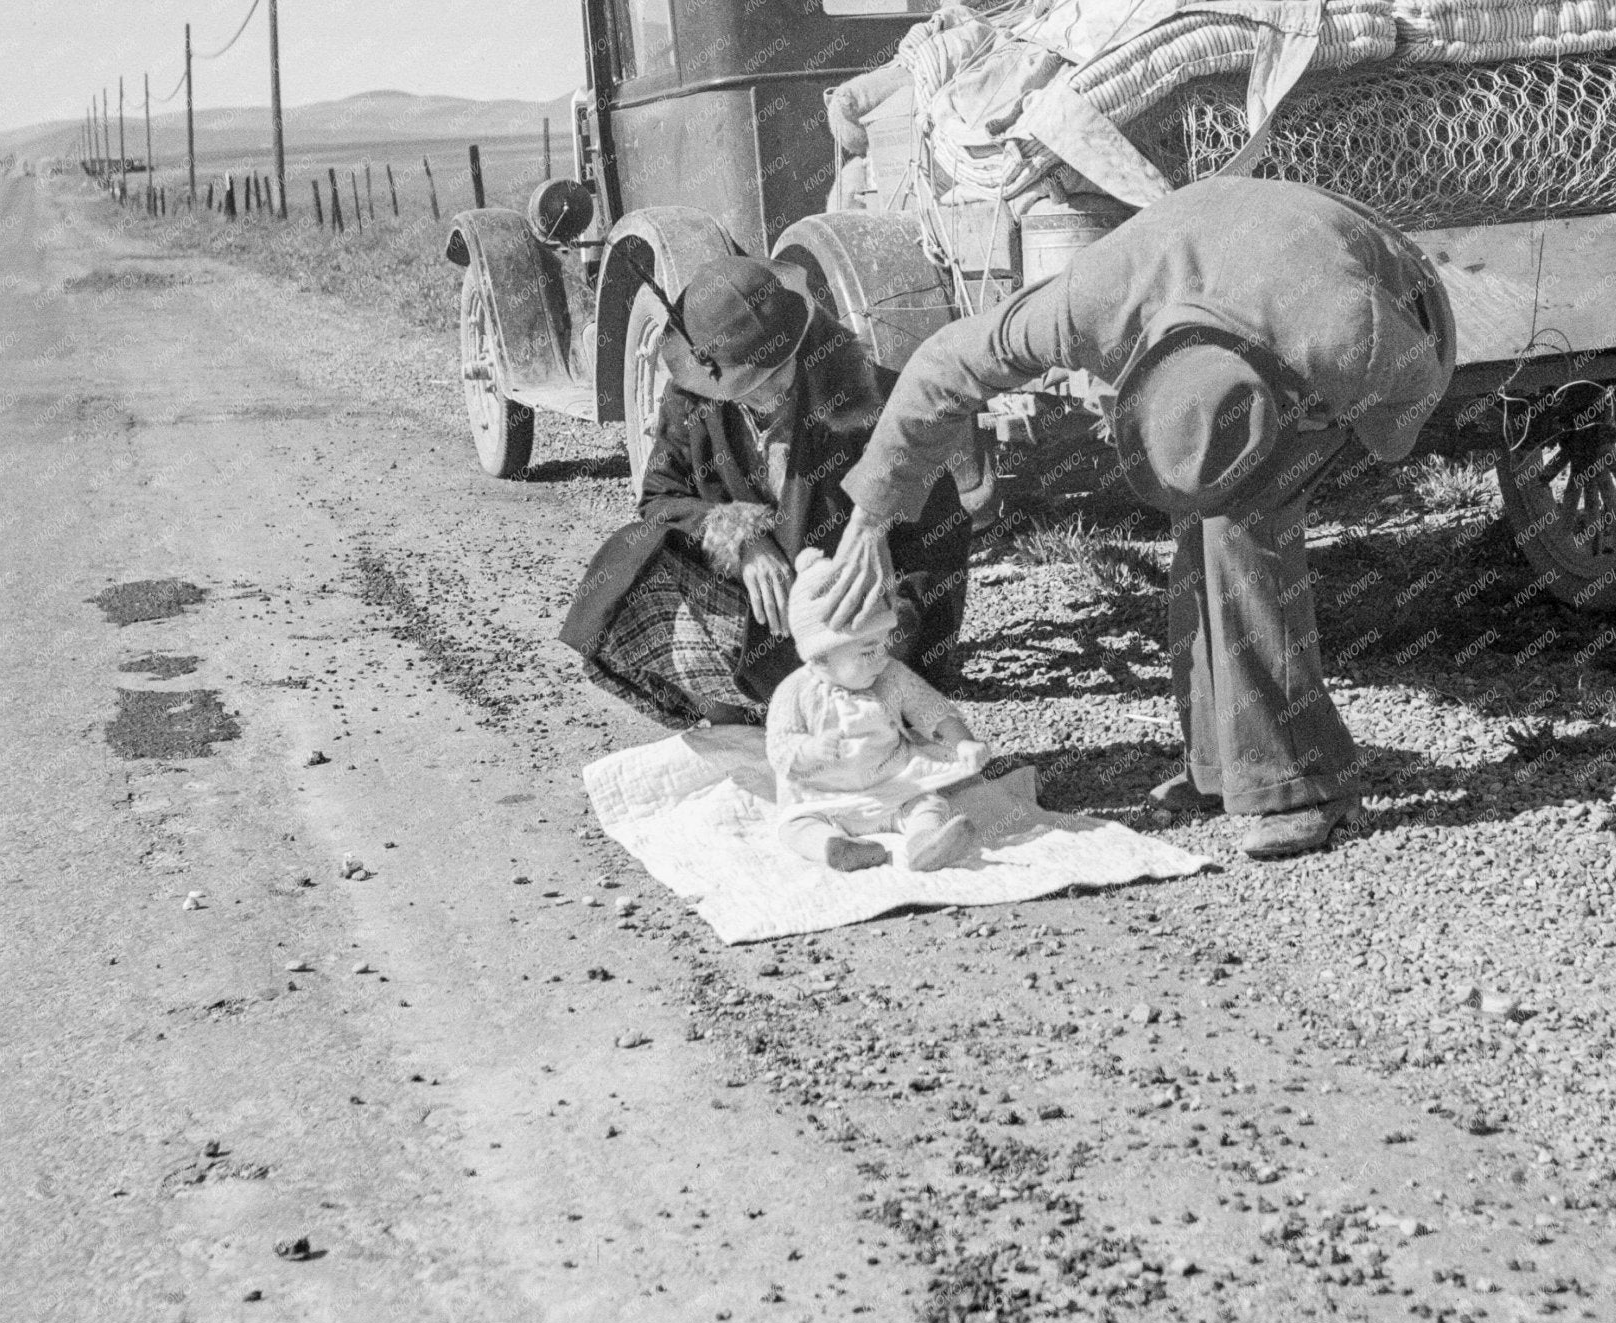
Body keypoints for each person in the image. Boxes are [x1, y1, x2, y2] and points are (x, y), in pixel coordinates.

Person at [814, 179, 1457, 860]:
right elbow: (947, 363)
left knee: (1244, 531)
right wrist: (871, 513)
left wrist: (1345, 426)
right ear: (1142, 369)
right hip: (1225, 252)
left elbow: (1413, 393)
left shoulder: (1344, 334)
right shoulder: (1094, 301)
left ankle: (1302, 786)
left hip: (1384, 290)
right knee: (1204, 520)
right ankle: (1220, 766)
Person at [560, 254, 971, 728]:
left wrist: (894, 645)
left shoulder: (869, 400)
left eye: (778, 370)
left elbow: (939, 535)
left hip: (847, 628)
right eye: (747, 383)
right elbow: (659, 497)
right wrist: (741, 537)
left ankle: (833, 703)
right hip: (759, 616)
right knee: (634, 553)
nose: (769, 392)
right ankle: (734, 712)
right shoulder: (692, 398)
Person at [766, 547, 986, 873]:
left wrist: (962, 742)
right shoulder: (795, 691)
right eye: (868, 651)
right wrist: (810, 750)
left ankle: (925, 843)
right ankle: (836, 847)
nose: (882, 657)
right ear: (821, 656)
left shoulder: (889, 675)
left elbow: (929, 707)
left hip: (890, 786)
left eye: (884, 644)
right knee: (795, 827)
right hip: (823, 797)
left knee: (927, 803)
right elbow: (779, 747)